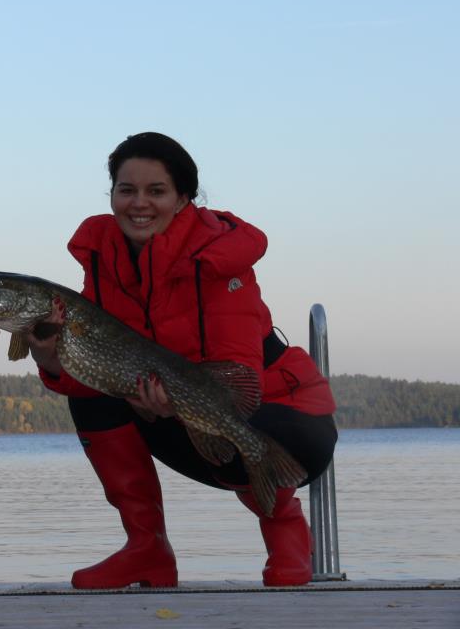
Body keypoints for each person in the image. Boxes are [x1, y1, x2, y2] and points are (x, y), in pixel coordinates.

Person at [19, 132, 337, 589]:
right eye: (126, 190)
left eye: (156, 191)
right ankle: (147, 548)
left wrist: (178, 404)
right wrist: (49, 357)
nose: (138, 203)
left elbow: (236, 376)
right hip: (183, 402)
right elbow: (94, 365)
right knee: (92, 394)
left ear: (184, 198)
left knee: (240, 437)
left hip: (282, 410)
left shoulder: (220, 258)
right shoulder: (105, 261)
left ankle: (284, 524)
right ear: (111, 195)